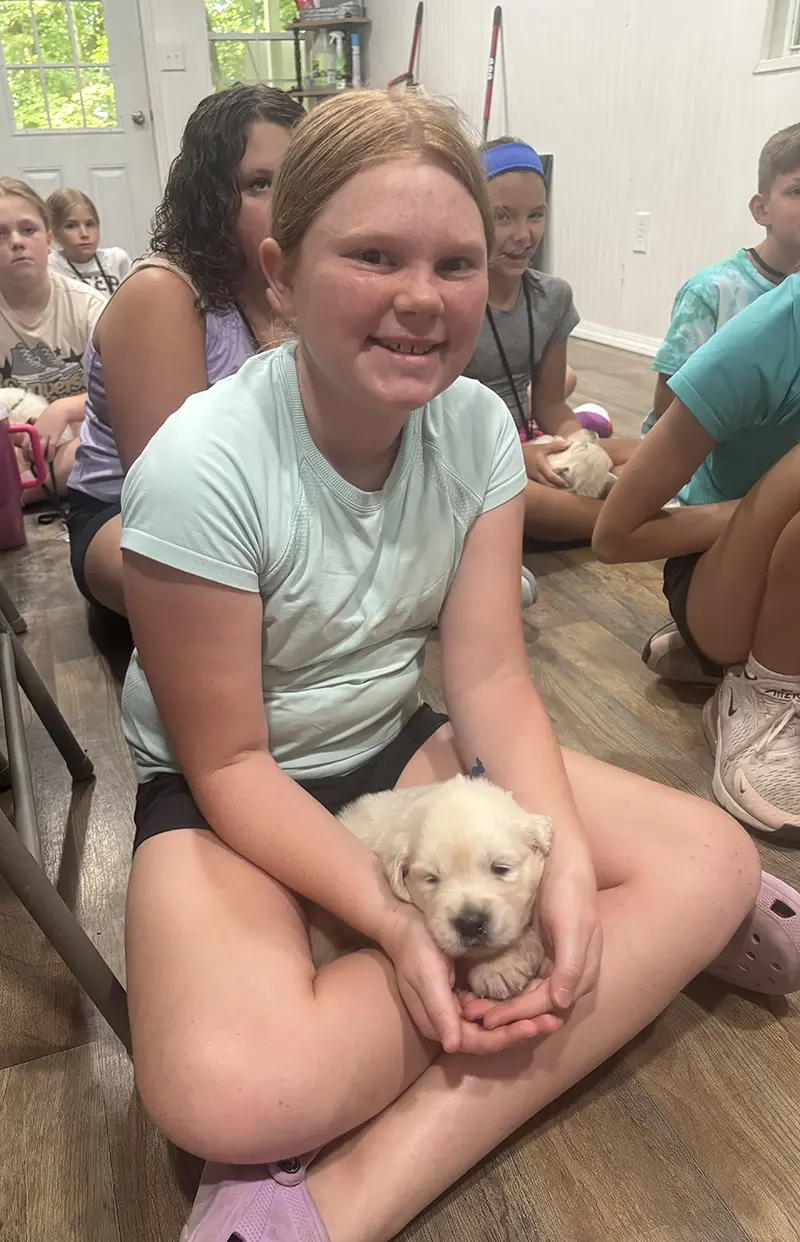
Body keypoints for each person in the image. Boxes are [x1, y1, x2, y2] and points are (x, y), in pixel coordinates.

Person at [118, 90, 796, 1242]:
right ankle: (374, 1142)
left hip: (392, 736)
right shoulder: (202, 465)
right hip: (226, 781)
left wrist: (569, 869)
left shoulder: (475, 428)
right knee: (222, 1088)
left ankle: (353, 1168)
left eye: (454, 263)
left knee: (705, 855)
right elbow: (227, 757)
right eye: (372, 255)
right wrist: (395, 928)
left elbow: (486, 681)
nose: (419, 298)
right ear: (280, 272)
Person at [65, 83, 305, 622]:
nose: (287, 204)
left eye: (298, 182)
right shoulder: (165, 293)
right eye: (259, 184)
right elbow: (170, 492)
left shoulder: (304, 282)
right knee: (237, 600)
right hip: (131, 516)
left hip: (279, 507)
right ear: (212, 196)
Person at [593, 275, 800, 840]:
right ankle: (762, 687)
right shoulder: (774, 333)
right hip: (716, 575)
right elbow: (613, 537)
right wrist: (764, 508)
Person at [640, 120, 800, 681]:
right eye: (798, 191)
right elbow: (668, 412)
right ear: (761, 207)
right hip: (723, 499)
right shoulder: (716, 290)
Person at [463, 138, 638, 543]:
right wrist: (516, 458)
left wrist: (578, 445)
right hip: (476, 457)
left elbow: (551, 403)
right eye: (502, 217)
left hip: (533, 442)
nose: (524, 235)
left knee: (650, 452)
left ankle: (613, 512)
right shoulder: (452, 296)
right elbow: (432, 422)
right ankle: (643, 521)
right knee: (520, 499)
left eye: (536, 216)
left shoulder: (553, 296)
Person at [0, 176, 103, 500]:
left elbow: (128, 391)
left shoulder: (89, 306)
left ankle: (19, 493)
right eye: (0, 234)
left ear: (48, 240)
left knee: (104, 447)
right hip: (15, 446)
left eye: (27, 230)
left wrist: (61, 410)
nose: (16, 242)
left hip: (80, 438)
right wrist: (15, 438)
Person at [47, 188, 132, 299]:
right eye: (71, 226)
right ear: (54, 233)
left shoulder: (116, 259)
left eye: (90, 224)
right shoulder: (51, 266)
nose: (84, 234)